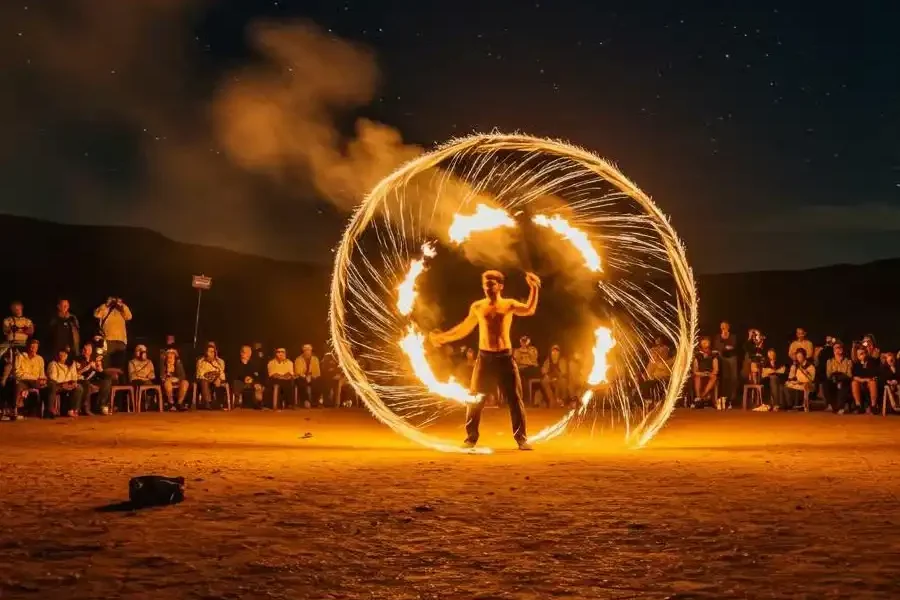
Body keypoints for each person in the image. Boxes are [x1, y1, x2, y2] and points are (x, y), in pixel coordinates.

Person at [429, 270, 541, 451]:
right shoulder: (478, 307)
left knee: (514, 399)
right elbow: (464, 328)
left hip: (505, 357)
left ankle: (521, 439)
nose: (487, 287)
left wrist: (534, 289)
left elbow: (529, 309)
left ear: (500, 286)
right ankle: (471, 438)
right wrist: (443, 337)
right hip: (485, 358)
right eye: (485, 283)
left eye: (491, 283)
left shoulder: (509, 305)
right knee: (475, 399)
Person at [93, 297, 132, 372]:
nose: (114, 302)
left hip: (121, 340)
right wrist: (106, 305)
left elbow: (129, 316)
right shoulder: (105, 309)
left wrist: (121, 305)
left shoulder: (121, 310)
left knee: (119, 364)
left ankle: (118, 381)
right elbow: (96, 314)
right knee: (107, 363)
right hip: (108, 340)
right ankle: (108, 380)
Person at [1, 301, 35, 387]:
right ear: (12, 310)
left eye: (19, 308)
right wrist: (23, 329)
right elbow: (7, 329)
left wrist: (17, 329)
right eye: (15, 309)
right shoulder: (7, 320)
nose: (17, 310)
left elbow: (31, 331)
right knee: (9, 361)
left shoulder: (27, 321)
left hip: (23, 345)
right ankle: (3, 380)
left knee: (22, 363)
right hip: (10, 345)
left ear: (22, 308)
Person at [14, 338, 47, 418]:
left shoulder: (40, 359)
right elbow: (17, 372)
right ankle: (18, 409)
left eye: (35, 347)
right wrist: (31, 377)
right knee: (20, 385)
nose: (33, 349)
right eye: (31, 347)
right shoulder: (20, 356)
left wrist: (43, 379)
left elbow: (42, 374)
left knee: (46, 385)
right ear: (28, 347)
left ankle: (45, 411)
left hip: (36, 382)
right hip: (24, 380)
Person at [75, 342, 111, 415]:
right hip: (82, 380)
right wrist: (87, 367)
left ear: (91, 351)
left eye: (88, 349)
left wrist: (99, 368)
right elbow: (76, 373)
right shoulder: (78, 359)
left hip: (93, 379)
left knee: (107, 380)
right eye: (84, 349)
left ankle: (102, 406)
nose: (85, 351)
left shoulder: (94, 359)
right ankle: (86, 409)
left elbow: (101, 374)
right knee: (87, 384)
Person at [47, 347, 83, 417]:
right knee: (53, 385)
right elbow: (52, 378)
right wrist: (63, 384)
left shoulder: (71, 364)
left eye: (65, 353)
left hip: (68, 384)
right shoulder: (53, 364)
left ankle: (73, 410)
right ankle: (50, 410)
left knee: (79, 387)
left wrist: (73, 383)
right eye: (62, 353)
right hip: (58, 385)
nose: (63, 355)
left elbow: (74, 377)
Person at [712, 321, 738, 408]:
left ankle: (732, 399)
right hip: (722, 358)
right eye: (722, 327)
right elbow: (717, 346)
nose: (723, 328)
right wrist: (724, 347)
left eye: (725, 326)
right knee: (725, 378)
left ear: (728, 327)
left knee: (733, 378)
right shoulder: (718, 336)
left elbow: (732, 346)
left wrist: (723, 347)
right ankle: (724, 399)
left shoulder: (733, 336)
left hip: (732, 358)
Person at [196, 343, 227, 409]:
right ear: (206, 352)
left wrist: (219, 378)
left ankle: (219, 404)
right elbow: (200, 374)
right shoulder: (201, 361)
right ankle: (208, 403)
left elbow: (222, 372)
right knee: (204, 382)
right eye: (210, 351)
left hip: (216, 379)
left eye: (213, 352)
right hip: (204, 379)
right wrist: (210, 377)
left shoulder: (219, 361)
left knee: (219, 382)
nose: (212, 353)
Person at [232, 345, 263, 409]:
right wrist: (244, 378)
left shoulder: (252, 364)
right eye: (247, 352)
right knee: (237, 384)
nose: (249, 354)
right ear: (242, 353)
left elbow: (256, 374)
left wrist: (254, 381)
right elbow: (235, 375)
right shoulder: (236, 363)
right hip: (239, 381)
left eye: (250, 352)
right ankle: (237, 403)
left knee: (257, 385)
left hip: (251, 382)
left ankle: (258, 403)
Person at [825, 342, 853, 414]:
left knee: (843, 384)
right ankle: (832, 405)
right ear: (834, 350)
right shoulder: (830, 361)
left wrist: (840, 378)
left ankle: (841, 407)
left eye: (840, 347)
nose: (839, 349)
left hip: (844, 380)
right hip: (834, 380)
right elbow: (828, 374)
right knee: (827, 383)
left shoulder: (848, 361)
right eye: (837, 348)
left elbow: (849, 375)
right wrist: (837, 379)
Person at [692, 337, 719, 407]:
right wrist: (702, 373)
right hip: (700, 373)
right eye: (703, 342)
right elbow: (695, 370)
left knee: (714, 377)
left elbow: (716, 369)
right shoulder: (697, 355)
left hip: (710, 373)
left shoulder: (713, 355)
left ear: (709, 343)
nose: (705, 343)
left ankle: (702, 396)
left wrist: (711, 373)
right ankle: (698, 397)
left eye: (706, 342)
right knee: (697, 377)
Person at [851, 346, 879, 414]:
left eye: (863, 353)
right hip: (861, 382)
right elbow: (854, 377)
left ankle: (873, 406)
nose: (863, 355)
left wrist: (865, 365)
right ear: (857, 356)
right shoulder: (856, 364)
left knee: (872, 382)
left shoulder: (871, 362)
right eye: (860, 354)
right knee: (854, 383)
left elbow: (873, 375)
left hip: (870, 382)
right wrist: (864, 380)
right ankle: (858, 406)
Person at [294, 344, 322, 408]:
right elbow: (298, 371)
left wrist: (311, 376)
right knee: (301, 381)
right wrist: (305, 376)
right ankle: (305, 400)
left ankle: (315, 401)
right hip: (301, 377)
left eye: (308, 350)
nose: (307, 351)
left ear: (311, 350)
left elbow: (317, 371)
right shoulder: (298, 359)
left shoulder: (315, 359)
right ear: (303, 351)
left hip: (312, 376)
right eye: (305, 350)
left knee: (318, 381)